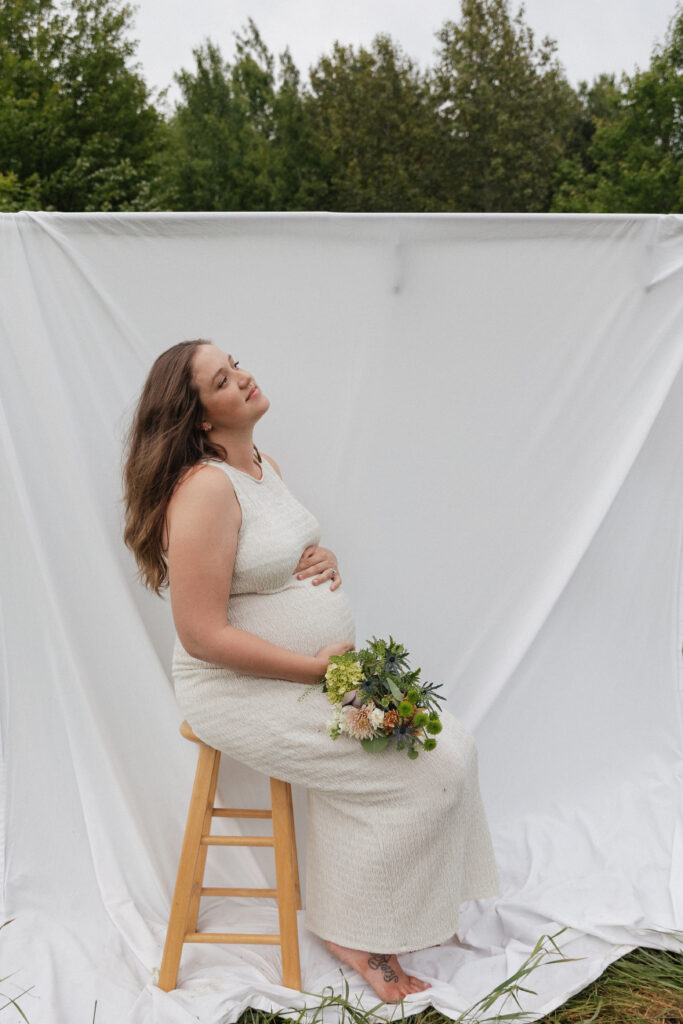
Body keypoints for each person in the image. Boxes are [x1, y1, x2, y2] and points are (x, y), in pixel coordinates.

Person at [122, 338, 500, 1003]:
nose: (243, 378)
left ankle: (365, 912)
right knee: (430, 769)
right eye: (221, 380)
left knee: (453, 746)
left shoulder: (261, 464)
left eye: (235, 364)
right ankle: (360, 935)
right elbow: (201, 635)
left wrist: (318, 556)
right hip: (244, 693)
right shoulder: (204, 489)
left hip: (309, 675)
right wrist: (311, 671)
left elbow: (267, 553)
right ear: (201, 419)